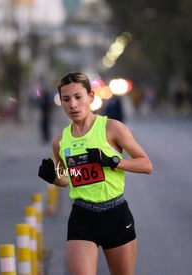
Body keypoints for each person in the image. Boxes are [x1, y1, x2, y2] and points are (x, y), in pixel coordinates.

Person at [38, 72, 153, 275]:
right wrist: (53, 178)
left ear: (90, 97)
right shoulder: (60, 142)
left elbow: (146, 165)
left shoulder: (112, 128)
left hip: (115, 214)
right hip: (82, 216)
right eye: (66, 99)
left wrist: (113, 161)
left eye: (78, 97)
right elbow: (66, 180)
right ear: (61, 103)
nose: (73, 104)